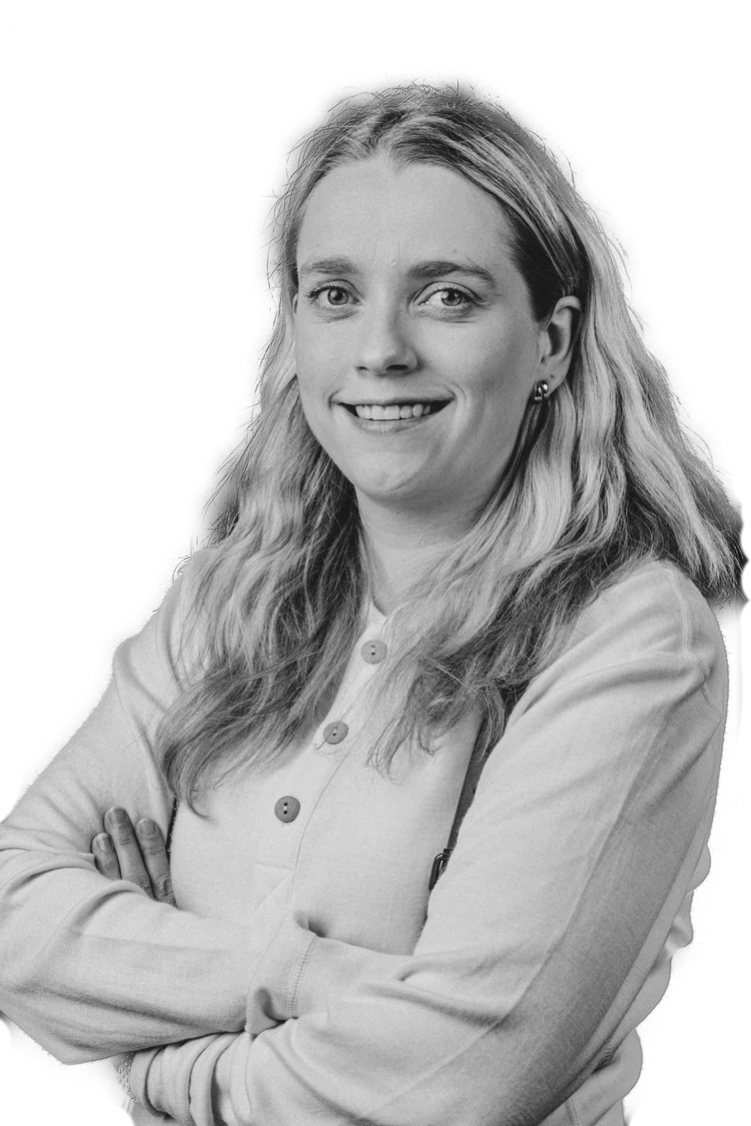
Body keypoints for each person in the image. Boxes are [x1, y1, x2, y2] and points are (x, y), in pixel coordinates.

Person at [0, 81, 742, 1125]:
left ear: (552, 341)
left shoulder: (631, 639)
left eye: (447, 296)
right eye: (336, 293)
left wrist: (153, 1062)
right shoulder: (223, 600)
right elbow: (9, 920)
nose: (380, 349)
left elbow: (456, 1085)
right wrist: (302, 975)